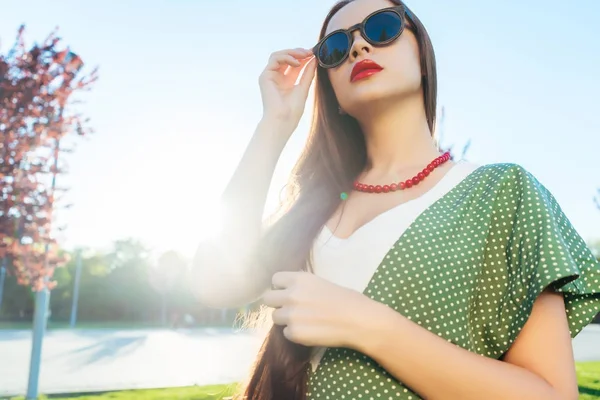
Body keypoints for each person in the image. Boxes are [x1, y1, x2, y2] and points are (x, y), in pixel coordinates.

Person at [191, 0, 600, 399]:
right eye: (335, 48)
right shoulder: (312, 206)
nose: (358, 47)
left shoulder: (502, 191)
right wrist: (274, 125)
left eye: (382, 28)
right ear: (328, 86)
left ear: (422, 52)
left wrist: (366, 324)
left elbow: (551, 393)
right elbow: (214, 284)